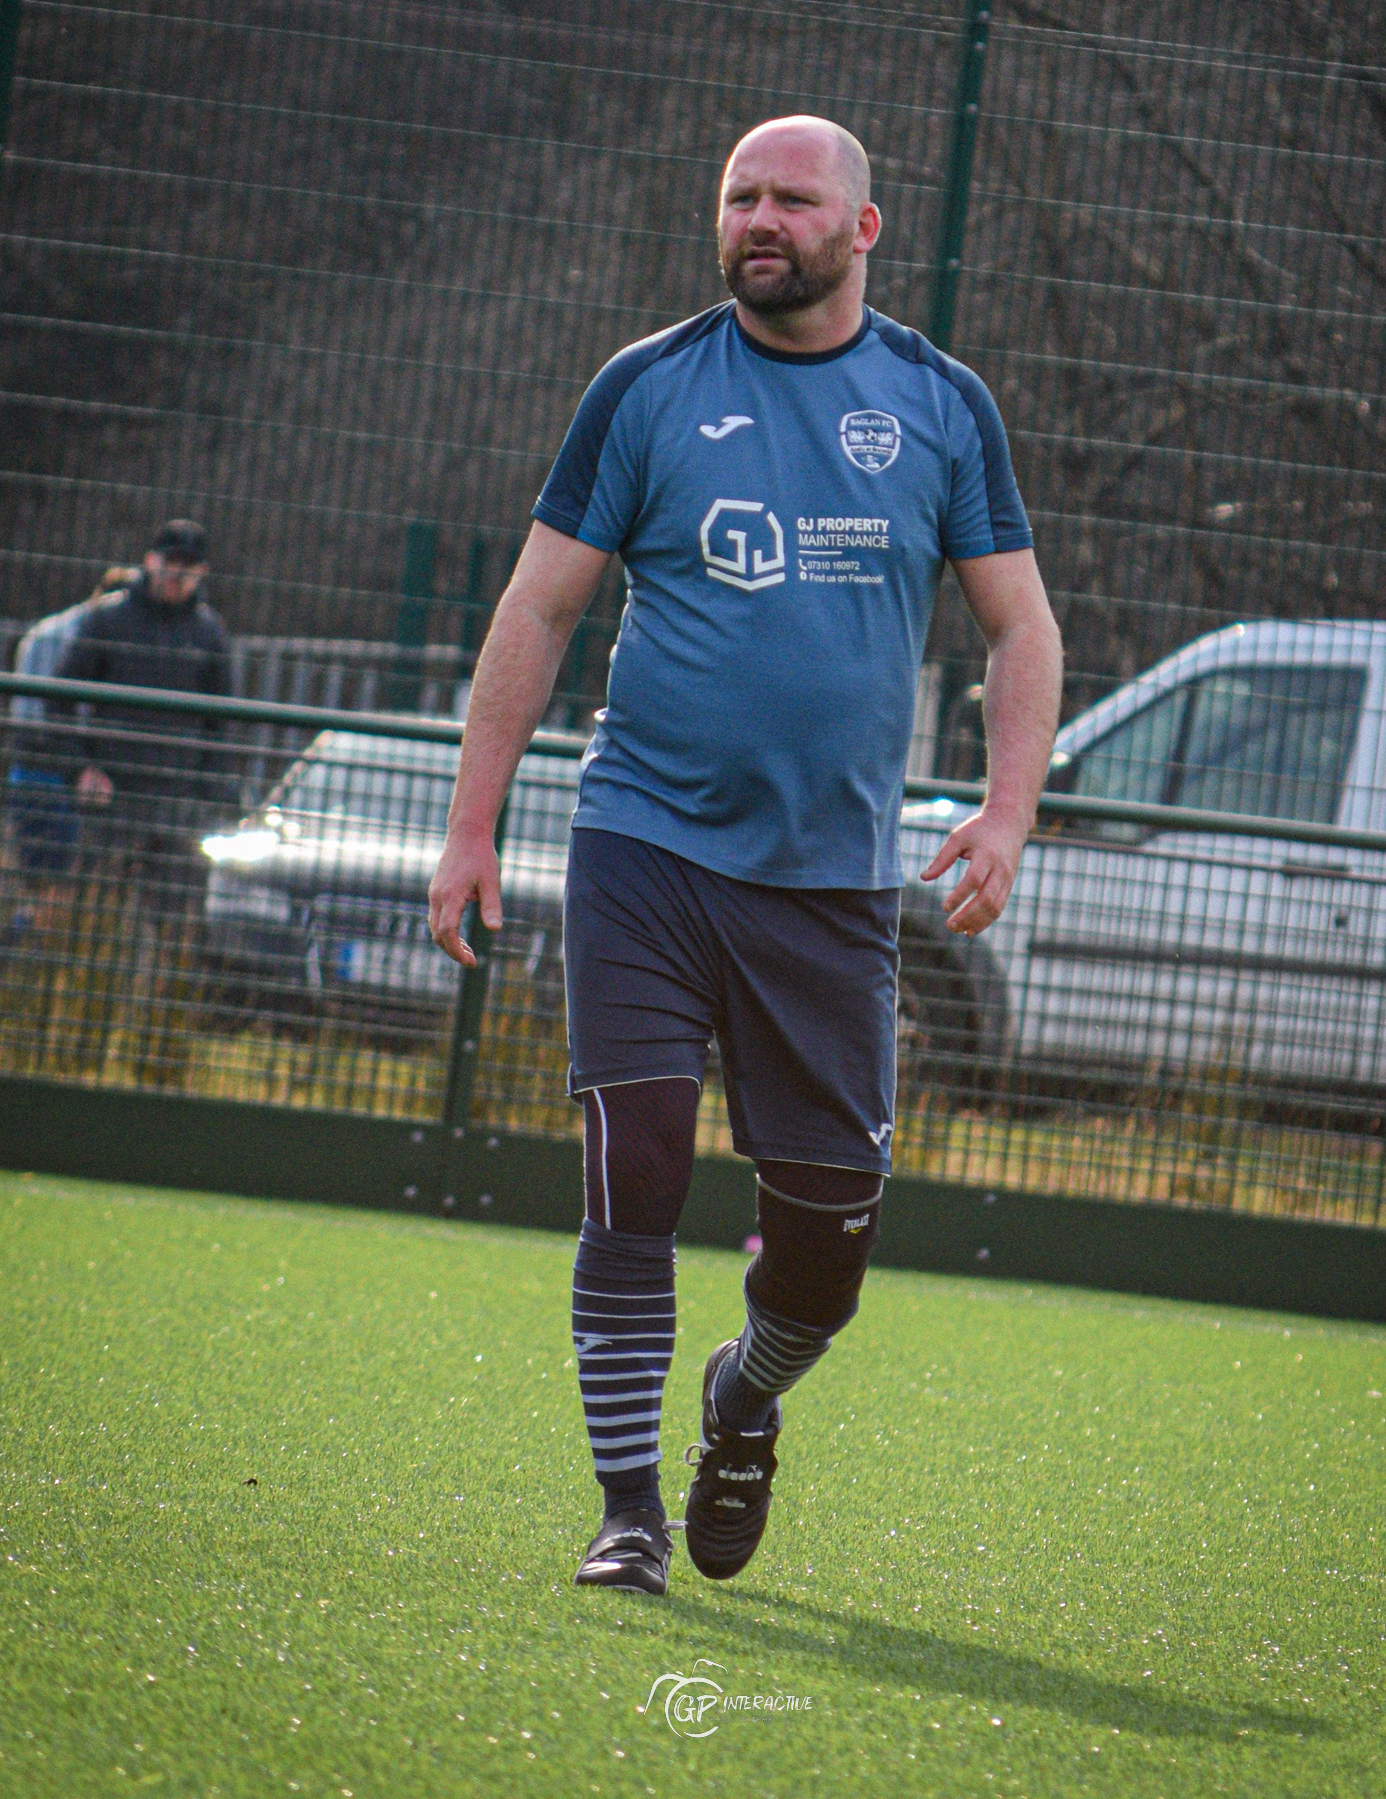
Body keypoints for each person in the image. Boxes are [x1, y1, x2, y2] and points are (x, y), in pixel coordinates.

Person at [426, 116, 1062, 1597]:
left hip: (834, 884)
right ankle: (628, 1514)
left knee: (826, 1256)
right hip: (643, 845)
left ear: (866, 227)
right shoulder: (645, 388)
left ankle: (744, 1396)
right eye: (739, 198)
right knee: (633, 1168)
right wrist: (475, 821)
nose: (759, 219)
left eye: (791, 198)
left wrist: (1010, 809)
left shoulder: (939, 404)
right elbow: (537, 614)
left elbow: (1020, 625)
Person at [54, 520, 236, 1082]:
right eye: (168, 561)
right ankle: (75, 1062)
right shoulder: (107, 620)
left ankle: (157, 1070)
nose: (175, 573)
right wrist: (80, 768)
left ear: (200, 572)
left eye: (187, 565)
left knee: (177, 943)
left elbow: (221, 731)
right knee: (94, 937)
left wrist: (211, 801)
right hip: (113, 806)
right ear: (149, 561)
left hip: (179, 814)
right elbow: (58, 704)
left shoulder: (209, 635)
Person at [3, 563, 135, 942]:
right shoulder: (76, 636)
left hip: (32, 769)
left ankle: (27, 940)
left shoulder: (47, 631)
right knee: (61, 882)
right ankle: (29, 944)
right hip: (57, 774)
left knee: (49, 882)